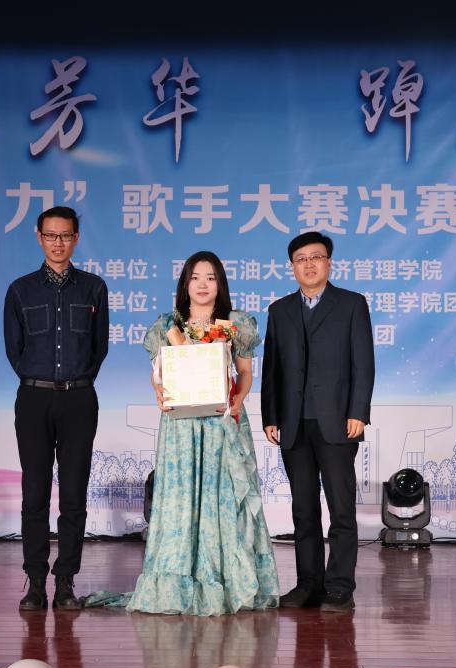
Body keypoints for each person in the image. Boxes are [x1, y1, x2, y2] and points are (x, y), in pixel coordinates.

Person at [114, 251, 279, 615]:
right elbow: (160, 374)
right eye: (195, 277)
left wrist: (238, 399)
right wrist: (158, 391)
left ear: (220, 284)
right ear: (185, 283)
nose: (203, 285)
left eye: (211, 278)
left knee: (223, 498)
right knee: (181, 498)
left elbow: (245, 373)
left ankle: (227, 582)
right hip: (181, 427)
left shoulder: (234, 323)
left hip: (222, 421)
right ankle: (179, 583)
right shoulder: (167, 325)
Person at [261, 232, 374, 612]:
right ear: (292, 266)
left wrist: (358, 411)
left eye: (316, 257)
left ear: (329, 262)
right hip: (294, 424)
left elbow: (363, 363)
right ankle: (308, 584)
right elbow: (272, 368)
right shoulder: (280, 310)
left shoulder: (351, 304)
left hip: (338, 421)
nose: (308, 264)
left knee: (341, 509)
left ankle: (340, 587)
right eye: (301, 259)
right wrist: (271, 416)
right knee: (303, 509)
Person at [3, 206, 109, 610]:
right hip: (34, 398)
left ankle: (65, 581)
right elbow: (14, 350)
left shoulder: (93, 288)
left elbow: (99, 347)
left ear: (76, 238)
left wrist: (77, 381)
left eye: (65, 235)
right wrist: (40, 379)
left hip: (79, 398)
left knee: (74, 493)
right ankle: (35, 581)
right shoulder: (20, 290)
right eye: (51, 235)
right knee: (34, 492)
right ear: (39, 237)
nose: (58, 242)